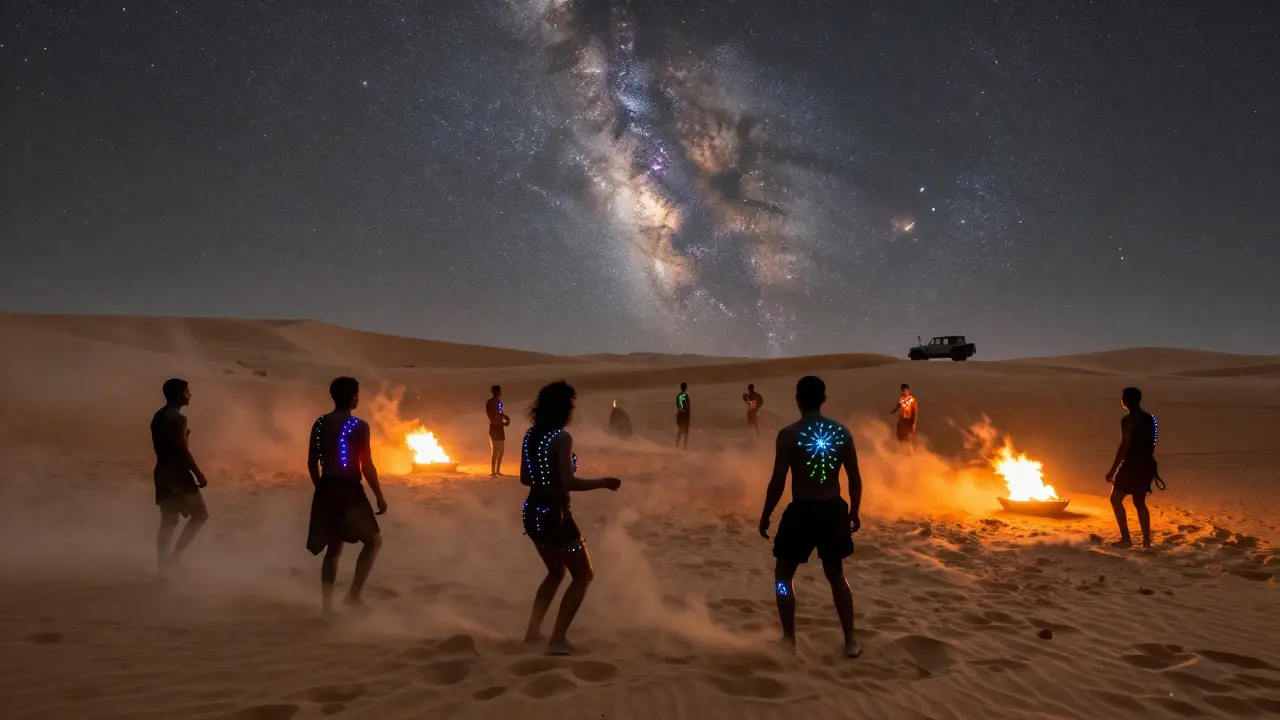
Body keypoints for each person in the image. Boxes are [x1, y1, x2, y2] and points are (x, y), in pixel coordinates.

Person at [759, 376, 863, 658]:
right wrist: (854, 509)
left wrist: (766, 514)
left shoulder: (788, 435)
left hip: (802, 512)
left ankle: (789, 638)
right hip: (832, 511)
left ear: (797, 399)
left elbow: (778, 481)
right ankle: (850, 640)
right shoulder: (841, 432)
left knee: (783, 576)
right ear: (823, 398)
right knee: (836, 576)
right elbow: (854, 478)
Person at [520, 381, 621, 655]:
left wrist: (547, 478)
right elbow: (569, 481)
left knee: (555, 572)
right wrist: (604, 482)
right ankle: (557, 640)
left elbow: (525, 478)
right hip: (556, 516)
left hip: (533, 512)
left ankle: (532, 632)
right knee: (583, 575)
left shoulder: (531, 435)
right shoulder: (561, 438)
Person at [307, 377, 388, 616]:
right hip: (349, 489)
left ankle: (327, 607)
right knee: (373, 541)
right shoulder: (358, 426)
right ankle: (353, 596)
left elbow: (312, 461)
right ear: (353, 397)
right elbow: (367, 465)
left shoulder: (320, 423)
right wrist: (379, 495)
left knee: (334, 547)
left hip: (327, 486)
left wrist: (320, 487)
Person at [151, 378, 209, 574]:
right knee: (200, 515)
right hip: (177, 474)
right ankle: (174, 557)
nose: (190, 395)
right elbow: (182, 451)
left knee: (169, 522)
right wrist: (198, 473)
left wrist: (184, 439)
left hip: (162, 473)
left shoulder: (159, 416)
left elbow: (168, 445)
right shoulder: (178, 419)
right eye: (187, 392)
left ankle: (162, 567)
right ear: (177, 395)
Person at [1105, 386, 1159, 549]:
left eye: (1122, 396)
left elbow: (1124, 445)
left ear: (1126, 400)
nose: (1121, 399)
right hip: (1147, 464)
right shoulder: (1150, 419)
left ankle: (1126, 539)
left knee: (1115, 499)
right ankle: (1146, 542)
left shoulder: (1128, 420)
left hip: (1132, 465)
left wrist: (1112, 470)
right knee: (1139, 502)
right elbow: (1152, 442)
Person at [487, 385, 512, 477]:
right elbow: (491, 416)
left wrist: (505, 418)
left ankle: (497, 471)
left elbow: (500, 414)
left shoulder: (498, 402)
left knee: (501, 450)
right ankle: (493, 472)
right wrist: (500, 421)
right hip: (495, 427)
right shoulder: (491, 402)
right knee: (495, 450)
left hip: (499, 427)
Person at [888, 384, 918, 450]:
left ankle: (910, 451)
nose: (905, 392)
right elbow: (898, 406)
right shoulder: (901, 398)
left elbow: (915, 411)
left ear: (908, 390)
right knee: (900, 436)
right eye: (903, 390)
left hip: (909, 420)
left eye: (906, 390)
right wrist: (893, 411)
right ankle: (901, 450)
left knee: (908, 437)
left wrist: (914, 423)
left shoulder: (912, 399)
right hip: (902, 420)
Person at [675, 382, 691, 448]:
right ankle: (684, 445)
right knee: (685, 431)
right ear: (685, 388)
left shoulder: (678, 396)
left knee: (680, 430)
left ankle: (677, 444)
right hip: (684, 414)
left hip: (680, 413)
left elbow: (678, 405)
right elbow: (686, 404)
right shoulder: (684, 395)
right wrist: (687, 411)